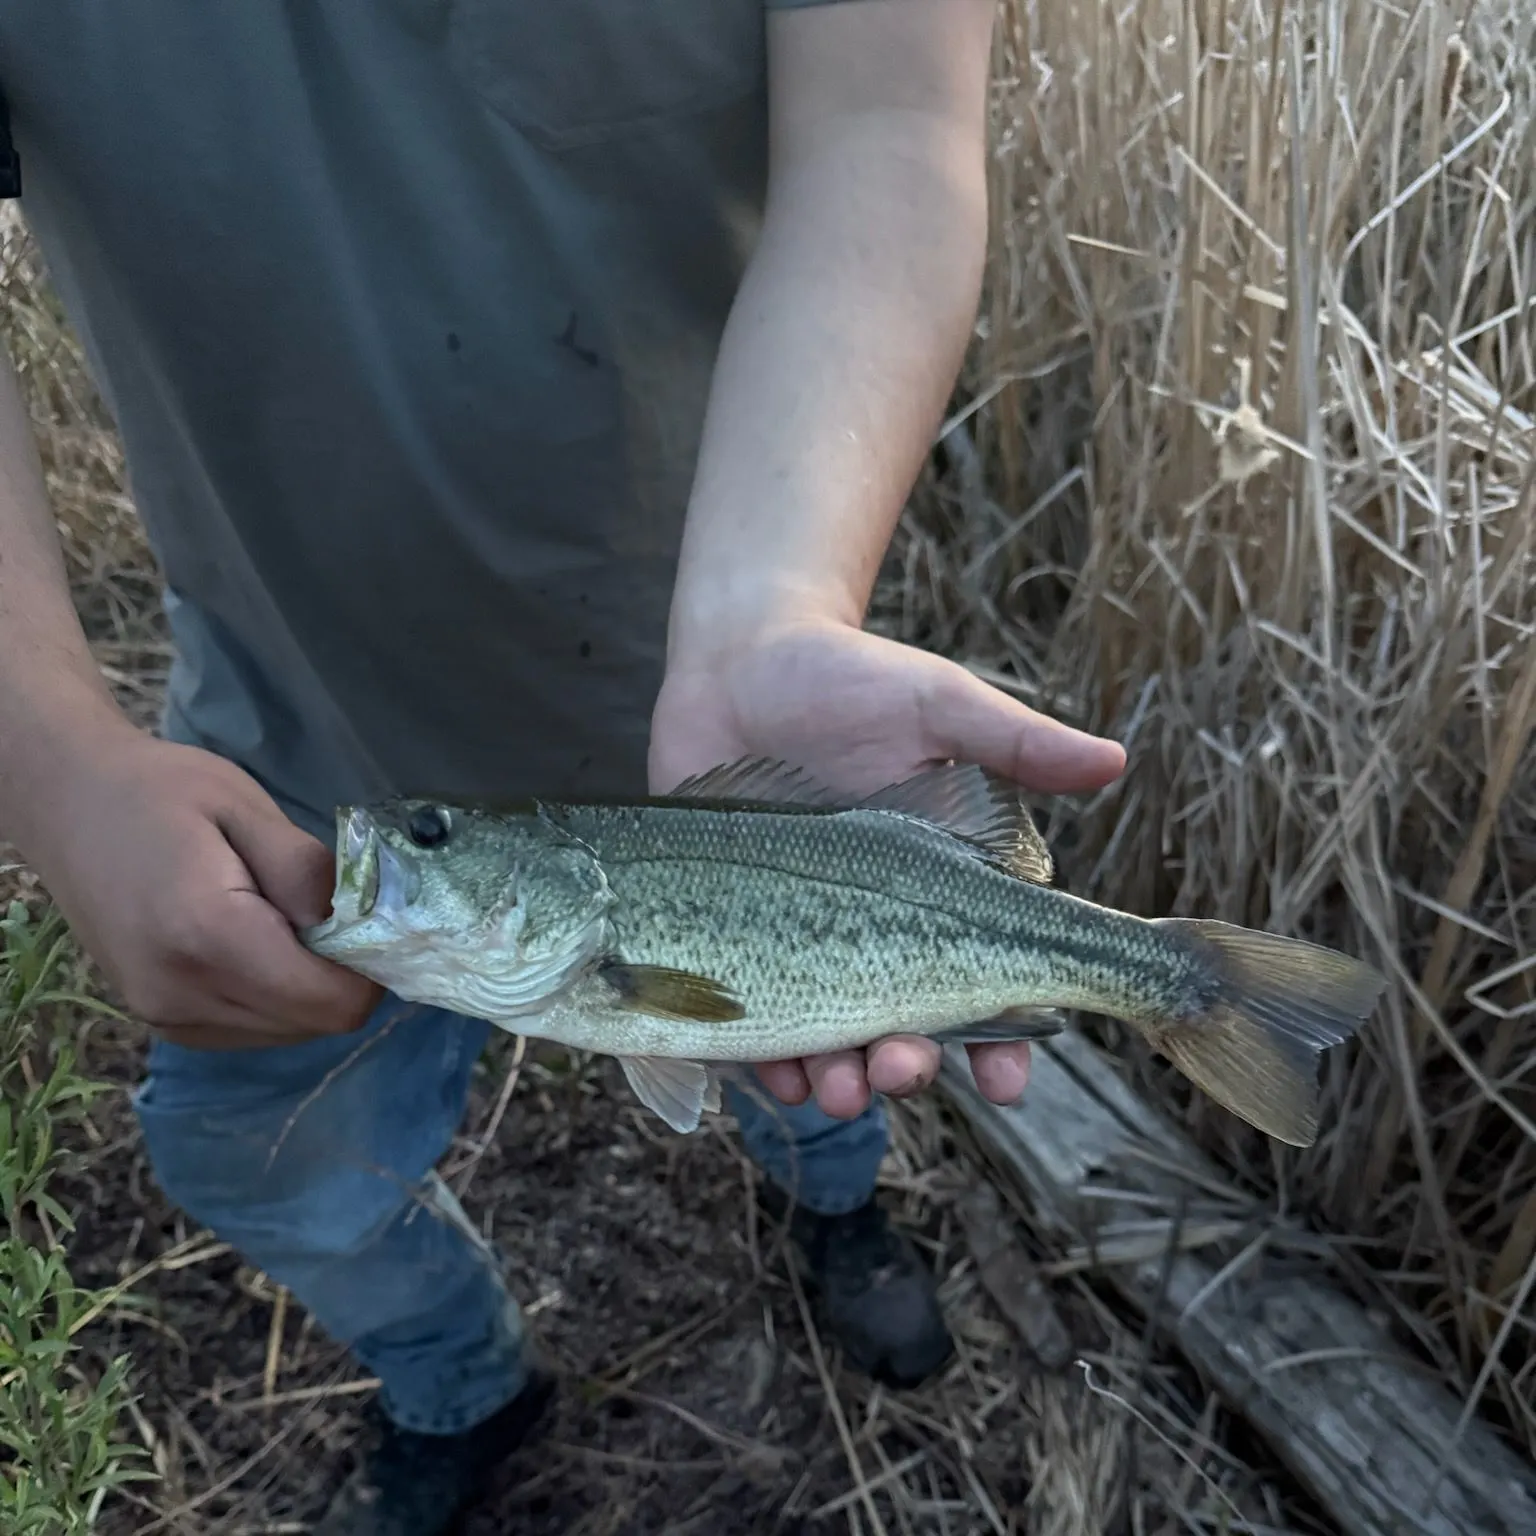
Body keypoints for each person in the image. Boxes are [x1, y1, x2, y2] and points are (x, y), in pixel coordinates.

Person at [0, 4, 1125, 1531]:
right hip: (277, 748)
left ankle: (840, 1210)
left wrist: (774, 603)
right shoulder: (373, 852)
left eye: (448, 845)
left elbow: (891, 127)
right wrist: (55, 756)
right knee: (248, 1149)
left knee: (815, 1063)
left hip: (744, 718)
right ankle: (456, 1382)